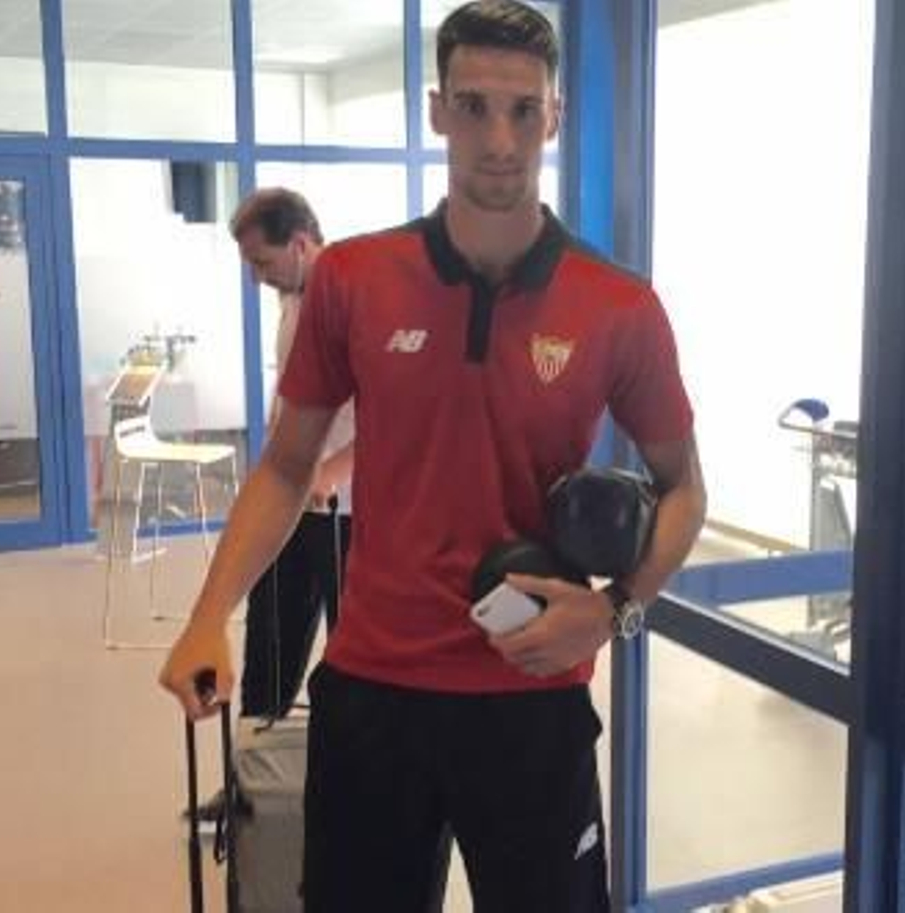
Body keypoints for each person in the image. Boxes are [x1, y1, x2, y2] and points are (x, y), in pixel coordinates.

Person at [158, 3, 707, 911]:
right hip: (375, 690)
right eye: (475, 106)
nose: (500, 139)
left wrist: (616, 610)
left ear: (555, 116)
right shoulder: (353, 279)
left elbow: (683, 486)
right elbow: (288, 466)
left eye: (524, 110)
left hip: (532, 693)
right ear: (437, 111)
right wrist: (209, 614)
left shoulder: (620, 305)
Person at [231, 187, 355, 722]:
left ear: (300, 244)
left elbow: (395, 410)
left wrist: (331, 471)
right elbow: (289, 389)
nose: (256, 277)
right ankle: (253, 758)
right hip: (290, 505)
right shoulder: (291, 298)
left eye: (263, 262)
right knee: (268, 647)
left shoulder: (354, 299)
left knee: (353, 660)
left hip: (348, 513)